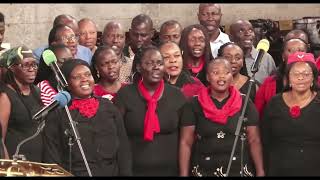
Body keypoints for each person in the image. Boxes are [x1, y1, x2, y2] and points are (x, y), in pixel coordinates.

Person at [42, 59, 132, 176]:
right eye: (77, 77)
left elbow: (123, 149)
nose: (84, 79)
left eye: (88, 74)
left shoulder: (108, 107)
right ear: (66, 83)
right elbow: (52, 156)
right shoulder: (58, 113)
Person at [114, 45, 193, 176]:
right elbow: (118, 139)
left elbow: (185, 141)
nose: (156, 67)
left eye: (160, 63)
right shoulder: (125, 95)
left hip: (170, 171)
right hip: (134, 171)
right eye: (150, 63)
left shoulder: (177, 96)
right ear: (139, 67)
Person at [179, 58, 264, 177]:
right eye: (215, 73)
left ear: (232, 76)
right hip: (203, 170)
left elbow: (254, 140)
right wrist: (183, 174)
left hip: (238, 170)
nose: (222, 77)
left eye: (226, 72)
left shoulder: (245, 102)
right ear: (208, 77)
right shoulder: (194, 104)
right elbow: (186, 142)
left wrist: (260, 171)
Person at [261, 52, 320, 176]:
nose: (300, 78)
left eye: (306, 74)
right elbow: (265, 139)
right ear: (287, 78)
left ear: (313, 78)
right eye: (296, 74)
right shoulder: (274, 103)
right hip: (279, 169)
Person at [0, 46, 43, 162]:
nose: (32, 69)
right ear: (12, 68)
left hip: (37, 160)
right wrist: (6, 164)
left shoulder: (36, 91)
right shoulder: (5, 96)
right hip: (15, 160)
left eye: (34, 64)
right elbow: (0, 139)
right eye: (25, 65)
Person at [255, 38, 308, 117]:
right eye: (290, 50)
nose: (296, 54)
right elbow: (257, 114)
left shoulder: (317, 81)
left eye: (300, 50)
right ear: (283, 56)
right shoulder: (269, 83)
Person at [229, 20, 276, 84]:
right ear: (231, 37)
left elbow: (274, 85)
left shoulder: (266, 58)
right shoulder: (225, 60)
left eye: (250, 30)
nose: (247, 34)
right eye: (241, 31)